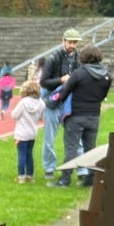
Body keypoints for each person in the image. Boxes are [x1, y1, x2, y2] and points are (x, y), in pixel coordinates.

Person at [52, 45, 111, 188]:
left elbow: (64, 93)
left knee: (71, 149)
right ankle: (91, 179)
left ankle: (65, 180)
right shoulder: (106, 76)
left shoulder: (79, 74)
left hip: (76, 115)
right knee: (91, 149)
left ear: (83, 58)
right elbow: (103, 95)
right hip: (94, 116)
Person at [39, 28, 81, 181]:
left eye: (75, 42)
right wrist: (60, 80)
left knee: (77, 137)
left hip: (71, 102)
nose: (72, 45)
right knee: (49, 138)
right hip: (53, 101)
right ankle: (49, 168)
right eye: (70, 42)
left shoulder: (79, 59)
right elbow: (43, 82)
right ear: (63, 41)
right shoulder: (53, 59)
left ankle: (81, 170)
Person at [9, 80, 43, 184]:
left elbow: (14, 115)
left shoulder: (23, 102)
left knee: (22, 154)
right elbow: (42, 116)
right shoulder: (41, 103)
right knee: (29, 154)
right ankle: (30, 176)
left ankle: (21, 176)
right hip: (32, 132)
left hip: (22, 133)